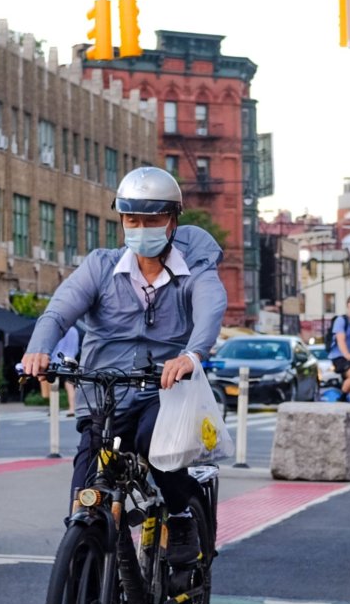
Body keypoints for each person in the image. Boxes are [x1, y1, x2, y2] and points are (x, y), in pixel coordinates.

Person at [22, 167, 226, 571]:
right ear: (121, 220)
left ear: (172, 221)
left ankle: (182, 517)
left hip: (162, 392)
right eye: (132, 219)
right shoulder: (101, 267)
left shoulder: (193, 270)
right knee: (85, 491)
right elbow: (58, 312)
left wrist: (191, 355)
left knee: (156, 446)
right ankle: (81, 582)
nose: (141, 228)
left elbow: (211, 306)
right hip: (103, 394)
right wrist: (37, 350)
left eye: (152, 220)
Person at [40, 324, 82, 415]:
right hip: (70, 360)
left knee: (54, 385)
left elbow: (54, 346)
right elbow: (76, 348)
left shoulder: (59, 329)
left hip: (56, 359)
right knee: (70, 385)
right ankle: (72, 408)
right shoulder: (74, 331)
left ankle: (54, 408)